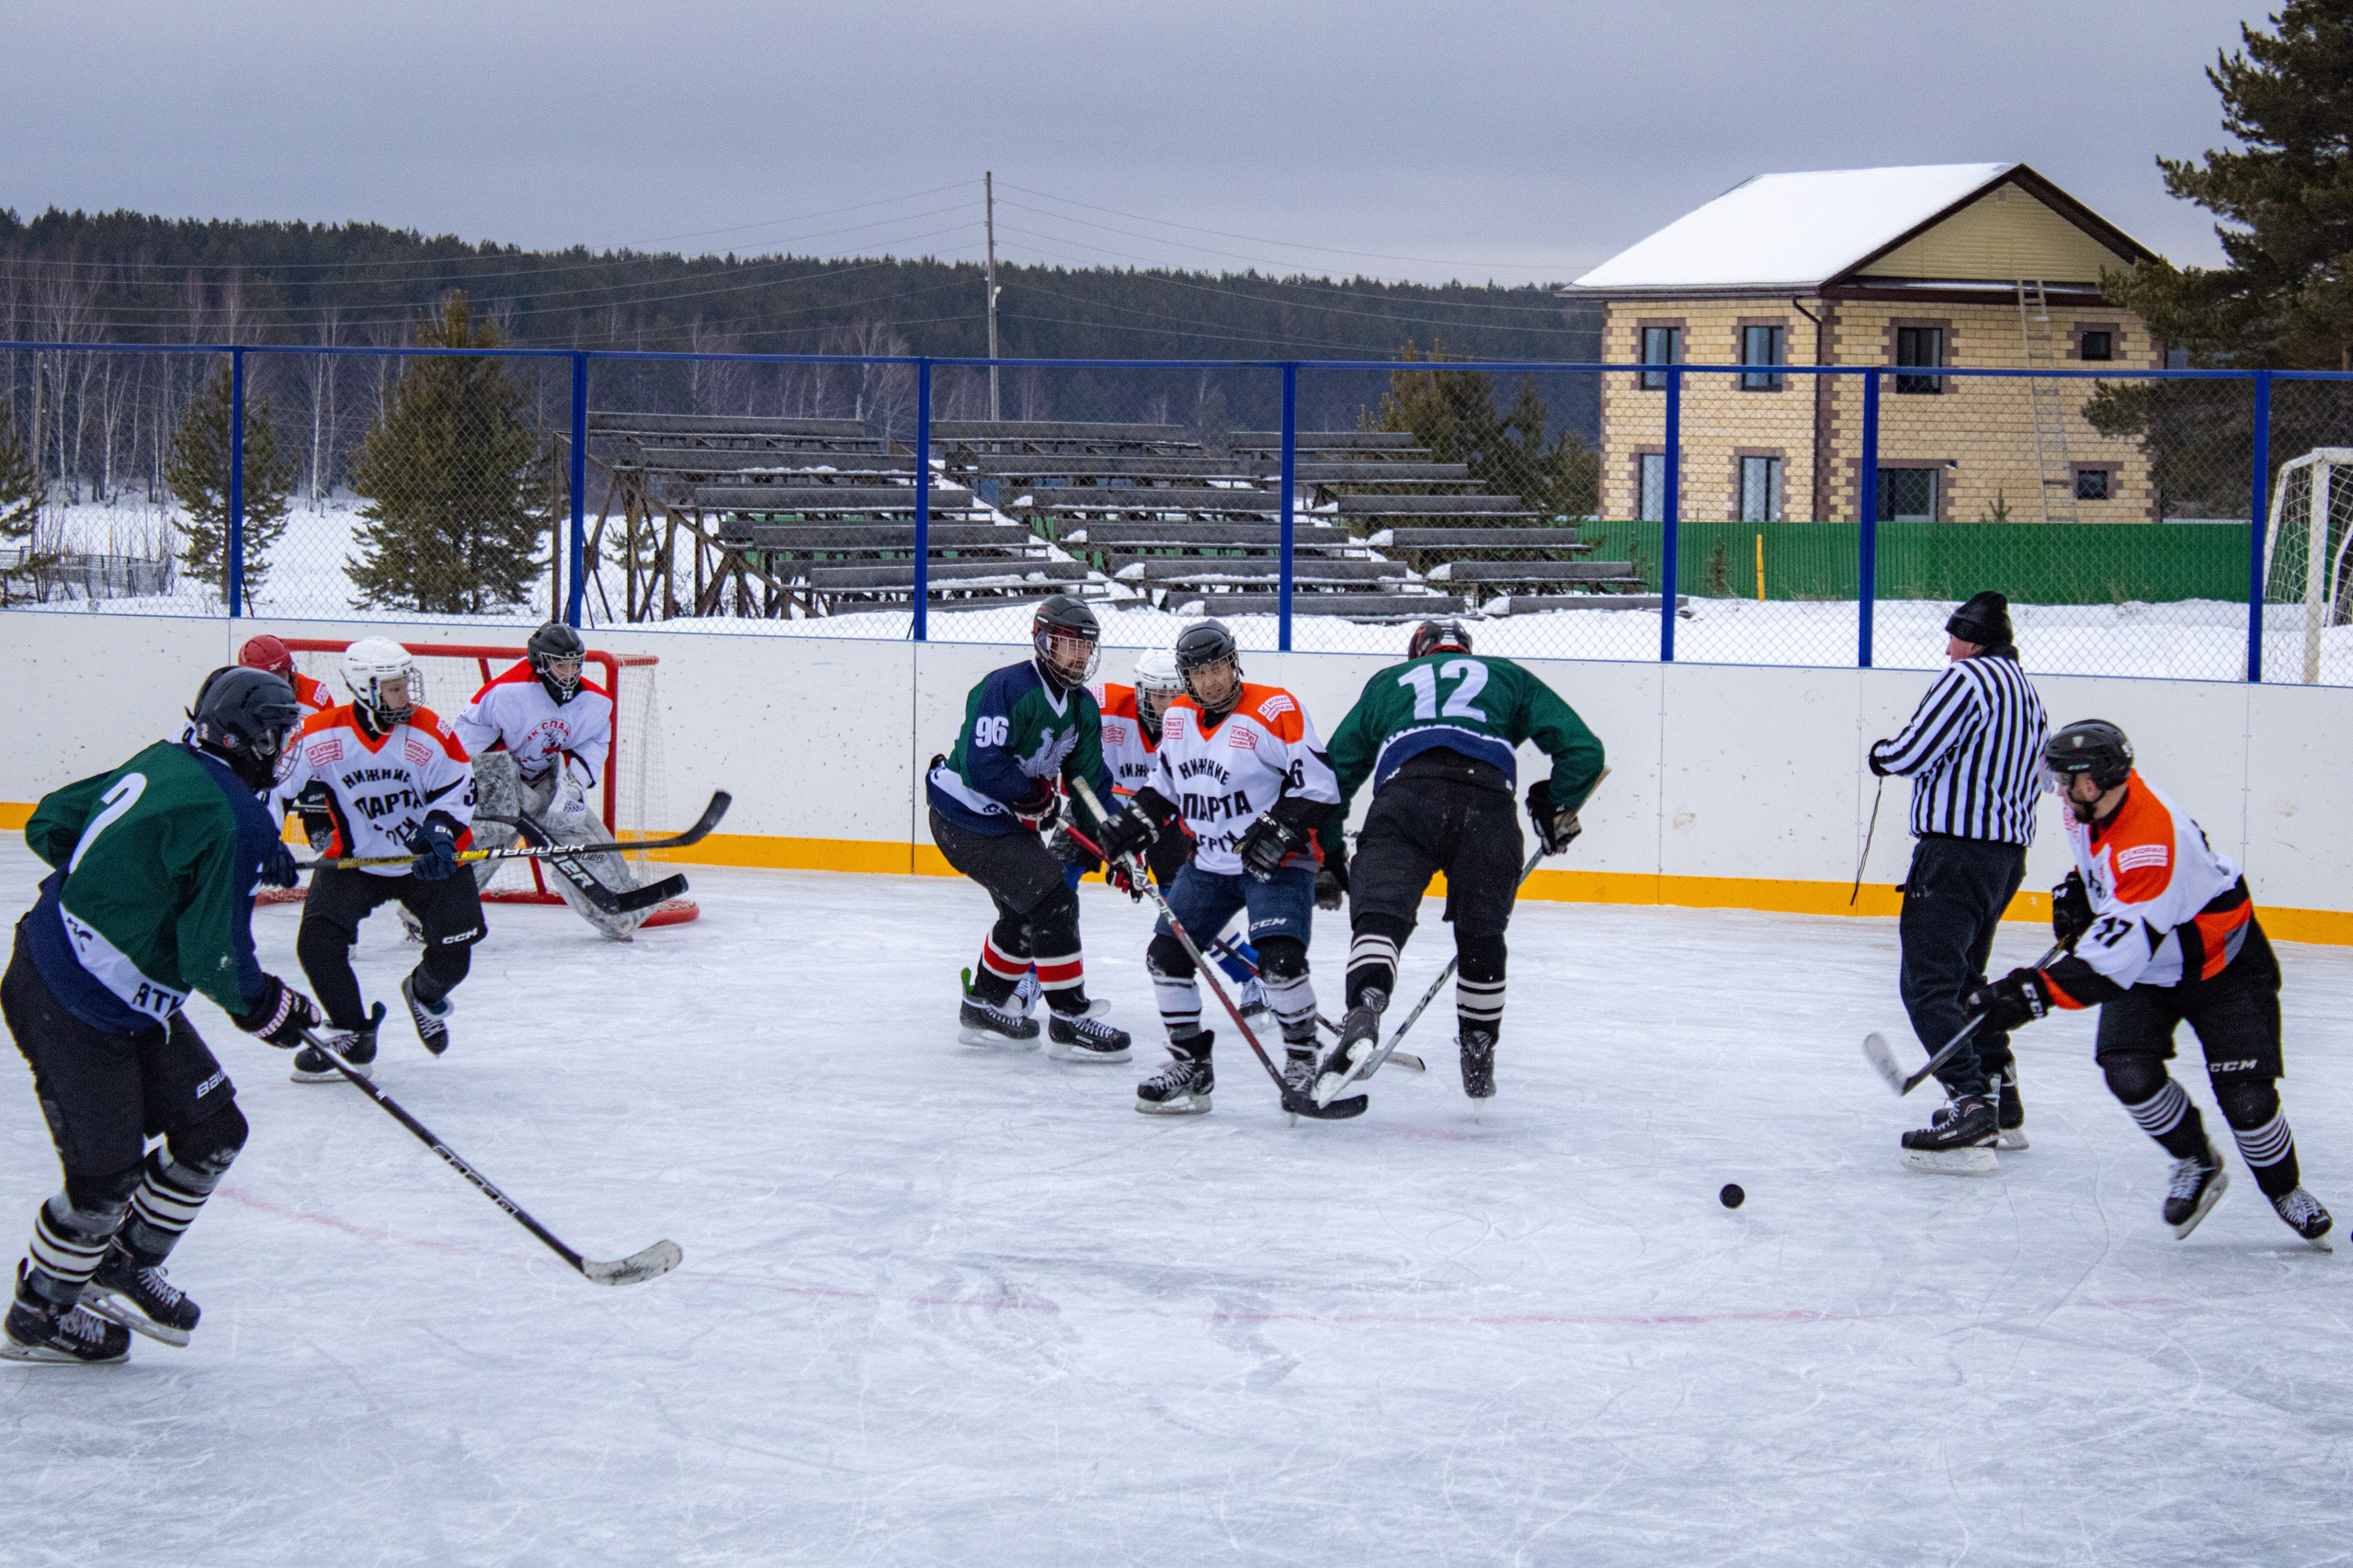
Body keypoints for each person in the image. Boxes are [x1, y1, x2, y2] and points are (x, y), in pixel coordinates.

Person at [4, 669, 323, 1363]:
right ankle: (39, 1315)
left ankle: (122, 1265)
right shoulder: (230, 818)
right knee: (105, 1179)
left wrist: (129, 888)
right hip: (68, 999)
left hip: (124, 997)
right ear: (250, 737)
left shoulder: (167, 759)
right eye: (280, 733)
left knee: (213, 1130)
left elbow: (52, 821)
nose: (287, 746)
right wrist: (270, 1008)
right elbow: (214, 958)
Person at [1968, 721, 2332, 1246]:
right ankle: (2196, 1161)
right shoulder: (2087, 806)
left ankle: (2284, 1190)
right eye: (2059, 778)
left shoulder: (2151, 842)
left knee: (2247, 1099)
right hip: (2152, 962)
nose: (2062, 793)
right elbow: (2107, 875)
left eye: (2072, 780)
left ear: (2104, 778)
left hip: (2221, 964)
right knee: (2127, 1071)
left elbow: (2107, 965)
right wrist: (2082, 891)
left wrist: (2029, 994)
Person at [1314, 619, 1605, 1106]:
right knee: (1481, 934)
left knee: (1380, 916)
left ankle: (1364, 1008)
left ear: (1417, 654)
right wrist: (1555, 804)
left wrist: (1329, 854)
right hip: (1487, 804)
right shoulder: (1506, 676)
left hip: (1406, 796)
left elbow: (1334, 775)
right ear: (1467, 652)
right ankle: (1478, 1046)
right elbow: (1585, 751)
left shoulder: (1388, 683)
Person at [1096, 619, 1344, 1115]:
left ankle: (1302, 1059)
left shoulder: (1275, 709)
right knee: (1165, 958)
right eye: (1198, 672)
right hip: (1208, 862)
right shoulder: (1180, 718)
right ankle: (1191, 1062)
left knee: (1279, 960)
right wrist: (1134, 824)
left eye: (1218, 667)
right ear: (1186, 678)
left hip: (1273, 861)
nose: (1210, 681)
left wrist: (1278, 827)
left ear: (1234, 664)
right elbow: (1164, 788)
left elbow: (1320, 786)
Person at [1869, 591, 2050, 1172]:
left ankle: (1970, 1104)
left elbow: (1913, 751)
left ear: (1971, 637)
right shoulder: (2027, 693)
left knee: (1929, 984)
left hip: (1953, 853)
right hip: (2005, 857)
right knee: (1969, 977)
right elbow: (2042, 778)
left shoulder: (1967, 680)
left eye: (1953, 638)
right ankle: (2002, 1098)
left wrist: (1881, 754)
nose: (1948, 651)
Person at [925, 595, 1131, 1062]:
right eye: (1069, 645)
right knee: (1054, 898)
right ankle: (1069, 1015)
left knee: (1024, 911)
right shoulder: (1006, 687)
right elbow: (981, 765)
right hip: (963, 815)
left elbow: (1087, 782)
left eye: (1086, 648)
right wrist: (1031, 794)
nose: (1079, 656)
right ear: (1043, 640)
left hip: (1003, 820)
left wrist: (1114, 838)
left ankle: (984, 1004)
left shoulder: (1081, 708)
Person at [272, 637, 481, 1076]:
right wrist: (266, 839)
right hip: (355, 862)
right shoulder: (320, 733)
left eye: (406, 683)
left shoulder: (429, 731)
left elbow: (459, 788)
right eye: (394, 687)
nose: (406, 695)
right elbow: (277, 789)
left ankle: (423, 995)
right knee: (316, 945)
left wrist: (440, 834)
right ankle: (354, 1035)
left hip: (427, 859)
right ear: (365, 688)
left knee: (455, 953)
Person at [452, 621, 643, 941]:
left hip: (548, 779)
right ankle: (427, 915)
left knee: (576, 834)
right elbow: (469, 739)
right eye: (561, 664)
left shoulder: (595, 701)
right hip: (499, 780)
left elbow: (595, 741)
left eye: (575, 664)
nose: (570, 672)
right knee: (490, 838)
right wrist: (503, 788)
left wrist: (573, 784)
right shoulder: (506, 692)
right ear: (540, 662)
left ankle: (617, 910)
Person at [237, 634, 335, 716]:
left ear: (289, 671)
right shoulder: (236, 701)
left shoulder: (314, 694)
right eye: (268, 681)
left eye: (282, 676)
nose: (277, 687)